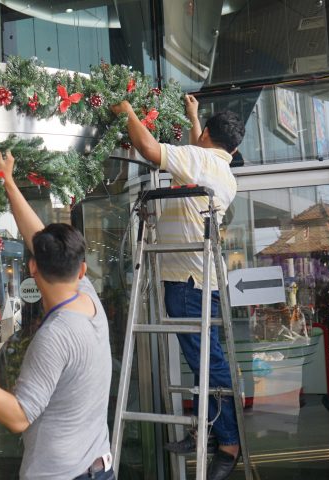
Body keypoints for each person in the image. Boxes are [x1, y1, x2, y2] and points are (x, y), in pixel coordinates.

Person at [0, 149, 114, 480]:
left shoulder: (56, 335)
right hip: (99, 469)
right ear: (81, 268)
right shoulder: (89, 300)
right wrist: (9, 184)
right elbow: (37, 235)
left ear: (32, 268)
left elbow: (18, 417)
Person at [112, 95, 245, 480]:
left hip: (187, 281)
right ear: (232, 149)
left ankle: (228, 442)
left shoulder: (198, 159)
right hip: (202, 279)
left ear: (205, 136)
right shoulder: (222, 170)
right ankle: (205, 428)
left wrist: (128, 112)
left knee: (209, 363)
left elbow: (149, 147)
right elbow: (196, 153)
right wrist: (193, 116)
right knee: (204, 361)